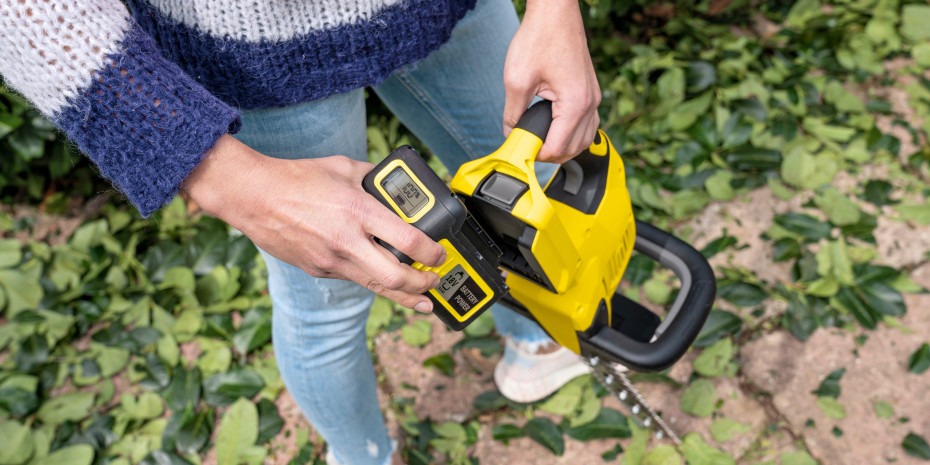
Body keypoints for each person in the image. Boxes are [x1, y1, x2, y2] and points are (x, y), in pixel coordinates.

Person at [1, 0, 601, 463]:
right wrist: (224, 178)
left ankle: (535, 344)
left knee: (527, 196)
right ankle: (364, 455)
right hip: (251, 51)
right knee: (328, 299)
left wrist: (556, 8)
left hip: (452, 7)